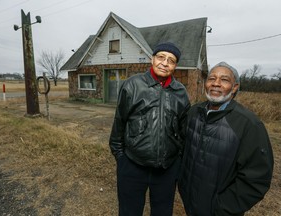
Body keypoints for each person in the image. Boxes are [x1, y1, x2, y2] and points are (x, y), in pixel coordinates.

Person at [178, 61, 274, 216]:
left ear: (235, 87)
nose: (216, 84)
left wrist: (222, 207)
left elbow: (257, 178)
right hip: (190, 202)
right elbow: (183, 151)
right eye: (211, 78)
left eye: (224, 80)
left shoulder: (248, 124)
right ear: (205, 83)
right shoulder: (193, 113)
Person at [109, 42, 191, 216]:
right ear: (152, 59)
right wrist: (121, 159)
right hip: (133, 165)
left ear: (175, 66)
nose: (165, 63)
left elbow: (184, 131)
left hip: (166, 169)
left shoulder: (180, 92)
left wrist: (177, 162)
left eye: (171, 60)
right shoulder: (132, 85)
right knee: (129, 212)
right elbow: (119, 123)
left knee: (162, 212)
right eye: (161, 57)